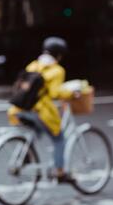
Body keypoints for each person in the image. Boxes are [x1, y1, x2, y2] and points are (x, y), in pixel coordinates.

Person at [7, 37, 78, 182]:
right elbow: (55, 93)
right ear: (59, 55)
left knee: (36, 131)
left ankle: (25, 155)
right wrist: (72, 93)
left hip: (19, 109)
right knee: (59, 138)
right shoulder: (57, 70)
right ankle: (60, 172)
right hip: (39, 112)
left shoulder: (33, 65)